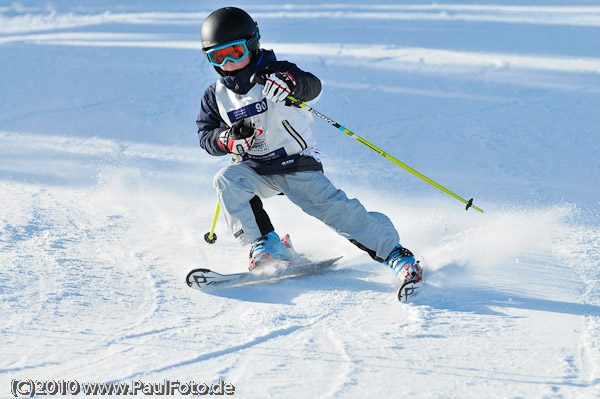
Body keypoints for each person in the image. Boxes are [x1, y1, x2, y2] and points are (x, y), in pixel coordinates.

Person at [196, 7, 422, 284]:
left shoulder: (278, 72)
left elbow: (312, 86)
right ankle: (267, 244)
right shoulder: (216, 95)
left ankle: (396, 255)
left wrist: (291, 85)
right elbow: (206, 133)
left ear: (253, 44)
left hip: (294, 163)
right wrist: (227, 139)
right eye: (218, 56)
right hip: (252, 167)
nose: (229, 61)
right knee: (226, 181)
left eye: (236, 52)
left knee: (336, 210)